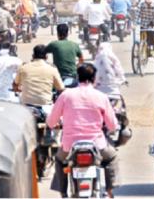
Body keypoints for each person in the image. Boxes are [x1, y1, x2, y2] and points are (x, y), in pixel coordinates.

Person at [47, 63, 119, 198]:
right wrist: (113, 129)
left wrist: (55, 124)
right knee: (112, 157)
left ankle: (63, 192)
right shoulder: (101, 96)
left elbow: (51, 121)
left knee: (59, 160)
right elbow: (113, 126)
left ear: (77, 77)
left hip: (69, 146)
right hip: (97, 145)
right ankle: (109, 190)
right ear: (94, 78)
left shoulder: (66, 95)